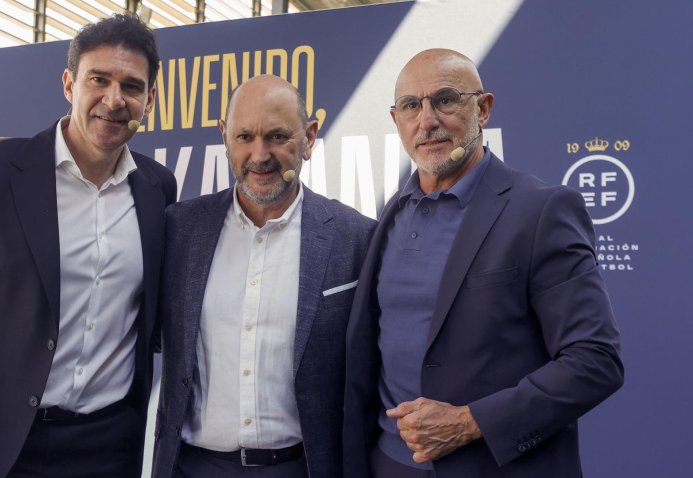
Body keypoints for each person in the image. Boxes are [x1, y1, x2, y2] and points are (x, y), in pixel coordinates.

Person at [0, 13, 176, 478]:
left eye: (131, 86)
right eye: (99, 79)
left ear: (149, 100)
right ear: (69, 84)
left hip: (108, 448)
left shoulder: (157, 188)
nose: (114, 100)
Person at [342, 49, 624, 478]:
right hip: (387, 465)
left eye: (446, 99)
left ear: (484, 108)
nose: (428, 120)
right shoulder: (391, 213)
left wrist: (469, 423)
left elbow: (595, 360)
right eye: (411, 106)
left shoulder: (540, 210)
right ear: (396, 119)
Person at [151, 75, 376, 478]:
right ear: (224, 137)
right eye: (244, 137)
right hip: (192, 467)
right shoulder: (179, 229)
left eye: (276, 136)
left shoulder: (356, 238)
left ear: (308, 138)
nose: (259, 154)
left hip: (301, 467)